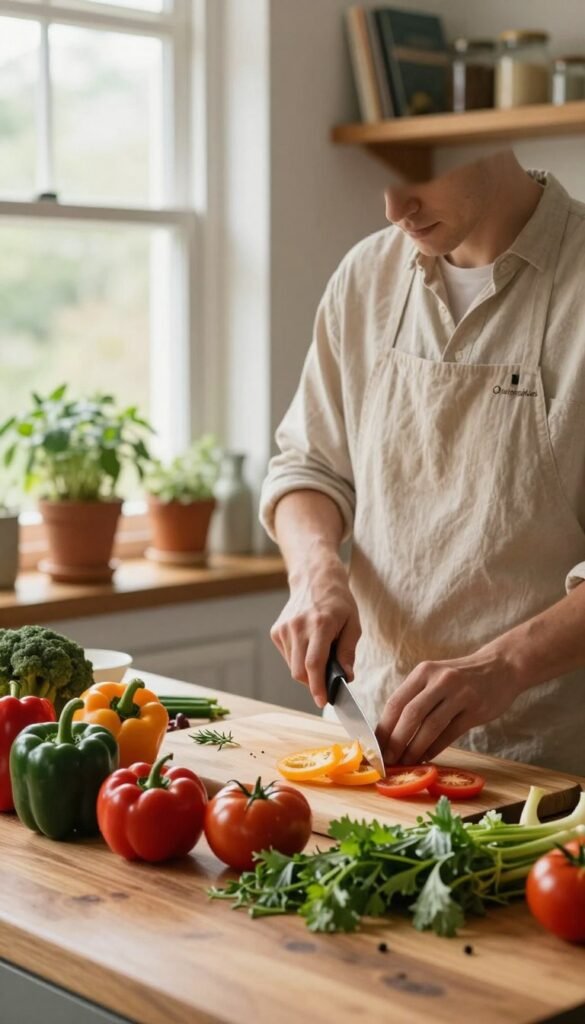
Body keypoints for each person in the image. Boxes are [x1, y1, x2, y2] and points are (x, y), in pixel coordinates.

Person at [259, 149, 585, 776]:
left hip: (554, 775)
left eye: (417, 178)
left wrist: (506, 664)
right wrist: (315, 570)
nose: (394, 210)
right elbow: (307, 466)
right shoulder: (365, 278)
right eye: (380, 181)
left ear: (491, 135)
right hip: (381, 753)